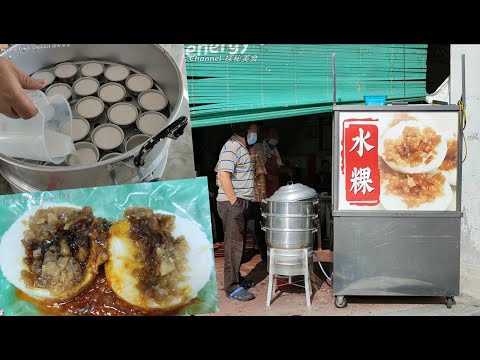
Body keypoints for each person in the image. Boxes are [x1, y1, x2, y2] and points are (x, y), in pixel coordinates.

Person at [215, 122, 258, 301]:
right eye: (254, 130)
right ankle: (232, 288)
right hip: (233, 203)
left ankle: (237, 280)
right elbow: (223, 174)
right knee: (233, 246)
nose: (256, 134)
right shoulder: (232, 146)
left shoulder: (239, 147)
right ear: (244, 130)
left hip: (241, 201)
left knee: (238, 244)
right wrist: (234, 203)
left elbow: (218, 169)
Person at [244, 145, 268, 262]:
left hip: (254, 199)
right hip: (238, 200)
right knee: (239, 231)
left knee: (257, 229)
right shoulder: (229, 153)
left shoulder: (253, 153)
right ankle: (240, 257)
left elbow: (261, 174)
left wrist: (263, 193)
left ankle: (265, 256)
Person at [253, 126, 292, 197]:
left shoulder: (274, 149)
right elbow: (257, 169)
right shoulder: (258, 148)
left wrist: (286, 170)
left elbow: (279, 165)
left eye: (276, 136)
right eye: (273, 135)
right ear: (266, 136)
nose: (275, 138)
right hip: (262, 185)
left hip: (274, 186)